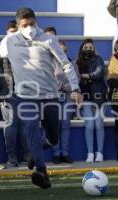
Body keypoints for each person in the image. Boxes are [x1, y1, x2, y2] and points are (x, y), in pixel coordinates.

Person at [0, 7, 82, 189]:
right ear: (18, 25)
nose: (29, 27)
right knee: (31, 130)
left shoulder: (49, 39)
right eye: (25, 25)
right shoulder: (10, 41)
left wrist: (75, 88)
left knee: (53, 138)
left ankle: (34, 154)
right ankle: (41, 172)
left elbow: (66, 65)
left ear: (36, 22)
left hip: (50, 95)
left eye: (32, 24)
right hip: (26, 97)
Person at [43, 27, 79, 164]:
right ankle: (56, 153)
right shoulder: (48, 62)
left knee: (65, 125)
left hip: (68, 97)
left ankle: (65, 153)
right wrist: (56, 86)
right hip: (53, 96)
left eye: (64, 50)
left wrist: (66, 87)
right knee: (55, 125)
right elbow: (45, 78)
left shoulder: (72, 64)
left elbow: (77, 79)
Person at [1, 20, 30, 168]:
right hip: (8, 93)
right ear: (7, 33)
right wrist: (2, 93)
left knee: (25, 125)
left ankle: (26, 154)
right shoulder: (1, 48)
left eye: (16, 32)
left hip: (24, 91)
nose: (14, 35)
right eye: (11, 32)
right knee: (11, 125)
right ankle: (11, 157)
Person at [77, 39, 107, 163]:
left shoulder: (98, 59)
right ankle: (90, 153)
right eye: (86, 47)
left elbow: (99, 74)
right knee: (89, 125)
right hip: (85, 96)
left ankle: (99, 153)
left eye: (91, 47)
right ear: (82, 48)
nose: (88, 49)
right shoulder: (78, 62)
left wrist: (85, 76)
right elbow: (75, 78)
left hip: (99, 96)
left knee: (99, 124)